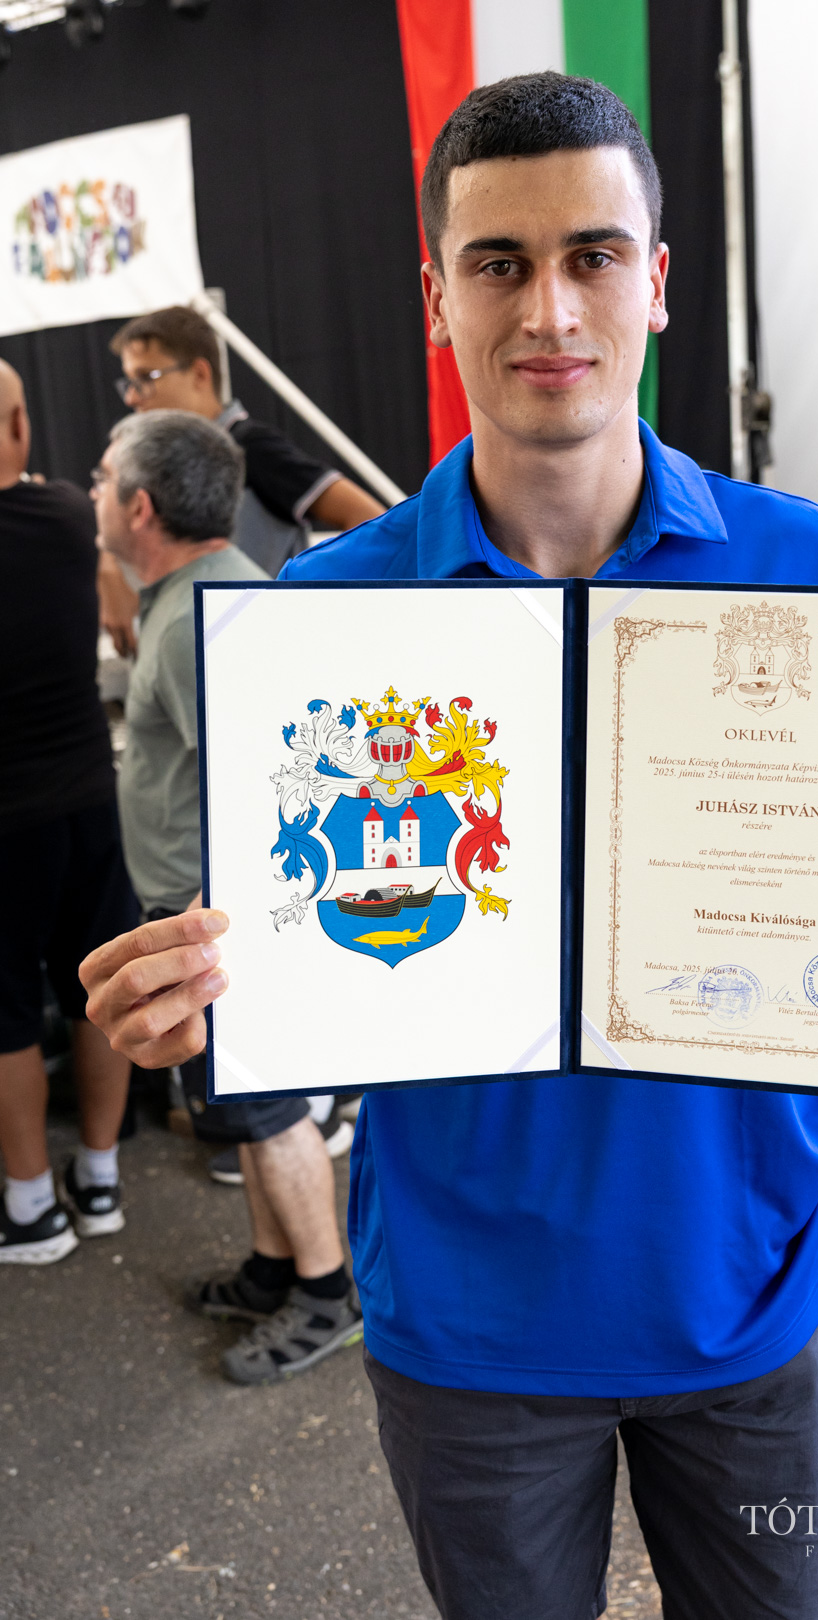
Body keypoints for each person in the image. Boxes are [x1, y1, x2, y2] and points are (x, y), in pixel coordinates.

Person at [81, 75, 818, 1619]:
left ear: (655, 281)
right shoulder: (324, 622)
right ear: (437, 296)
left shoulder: (802, 565)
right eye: (499, 262)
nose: (549, 308)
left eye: (593, 255)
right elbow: (287, 958)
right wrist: (195, 997)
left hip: (747, 1308)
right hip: (471, 1339)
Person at [92, 408, 362, 1384]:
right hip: (202, 916)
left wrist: (222, 935)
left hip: (215, 924)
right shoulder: (203, 596)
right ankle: (272, 1268)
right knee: (244, 1107)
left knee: (272, 1112)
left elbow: (262, 784)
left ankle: (326, 1293)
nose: (92, 493)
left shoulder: (194, 624)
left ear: (141, 507)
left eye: (102, 479)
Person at [0, 359, 137, 1264]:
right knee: (99, 990)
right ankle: (100, 1178)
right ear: (20, 425)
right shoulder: (62, 516)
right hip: (90, 800)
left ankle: (30, 1208)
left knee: (7, 1014)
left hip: (4, 823)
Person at [97, 303, 385, 656]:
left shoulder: (249, 448)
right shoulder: (163, 464)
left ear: (199, 374)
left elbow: (370, 519)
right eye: (129, 381)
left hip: (264, 650)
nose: (132, 396)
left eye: (146, 378)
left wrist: (305, 605)